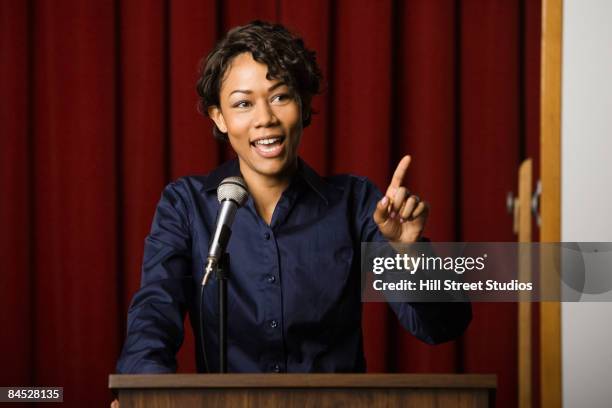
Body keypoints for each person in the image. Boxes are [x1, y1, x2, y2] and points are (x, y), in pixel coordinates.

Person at [115, 20, 471, 376]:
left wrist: (410, 253)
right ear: (219, 118)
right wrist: (142, 394)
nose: (265, 119)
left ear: (301, 105)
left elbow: (442, 326)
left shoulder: (357, 203)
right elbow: (154, 313)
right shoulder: (186, 205)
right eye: (243, 104)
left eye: (280, 97)